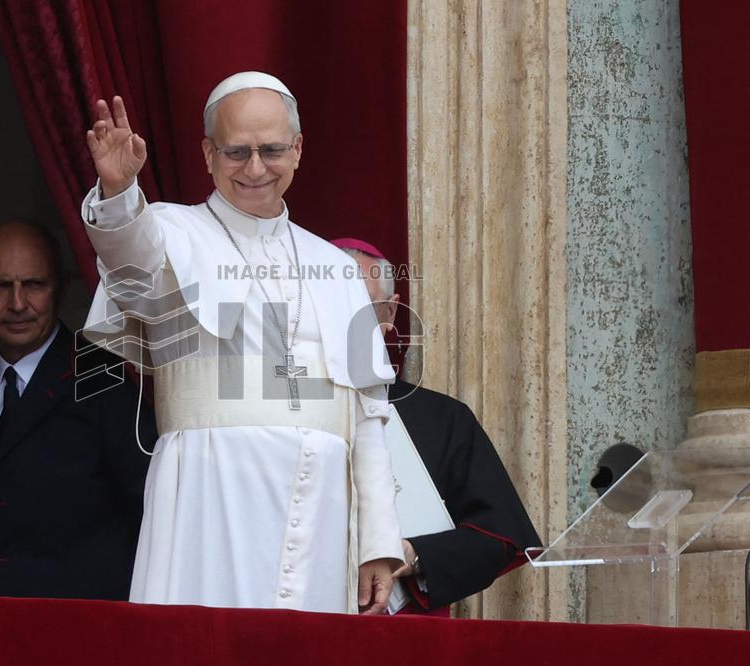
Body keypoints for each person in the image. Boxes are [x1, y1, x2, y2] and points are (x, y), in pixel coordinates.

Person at [79, 72, 403, 614]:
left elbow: (367, 418)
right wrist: (118, 193)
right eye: (237, 151)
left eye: (271, 150)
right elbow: (130, 263)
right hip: (209, 498)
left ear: (298, 150)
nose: (255, 169)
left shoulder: (336, 268)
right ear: (207, 153)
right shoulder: (173, 231)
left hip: (321, 513)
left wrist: (378, 543)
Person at [0, 220, 155, 599]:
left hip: (75, 639)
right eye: (0, 287)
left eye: (33, 285)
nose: (17, 304)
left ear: (59, 287)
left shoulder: (107, 384)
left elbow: (149, 521)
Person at [332, 237, 542, 613]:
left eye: (363, 306)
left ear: (390, 315)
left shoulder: (441, 419)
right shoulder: (266, 414)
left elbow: (498, 537)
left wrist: (413, 554)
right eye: (330, 304)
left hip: (406, 638)